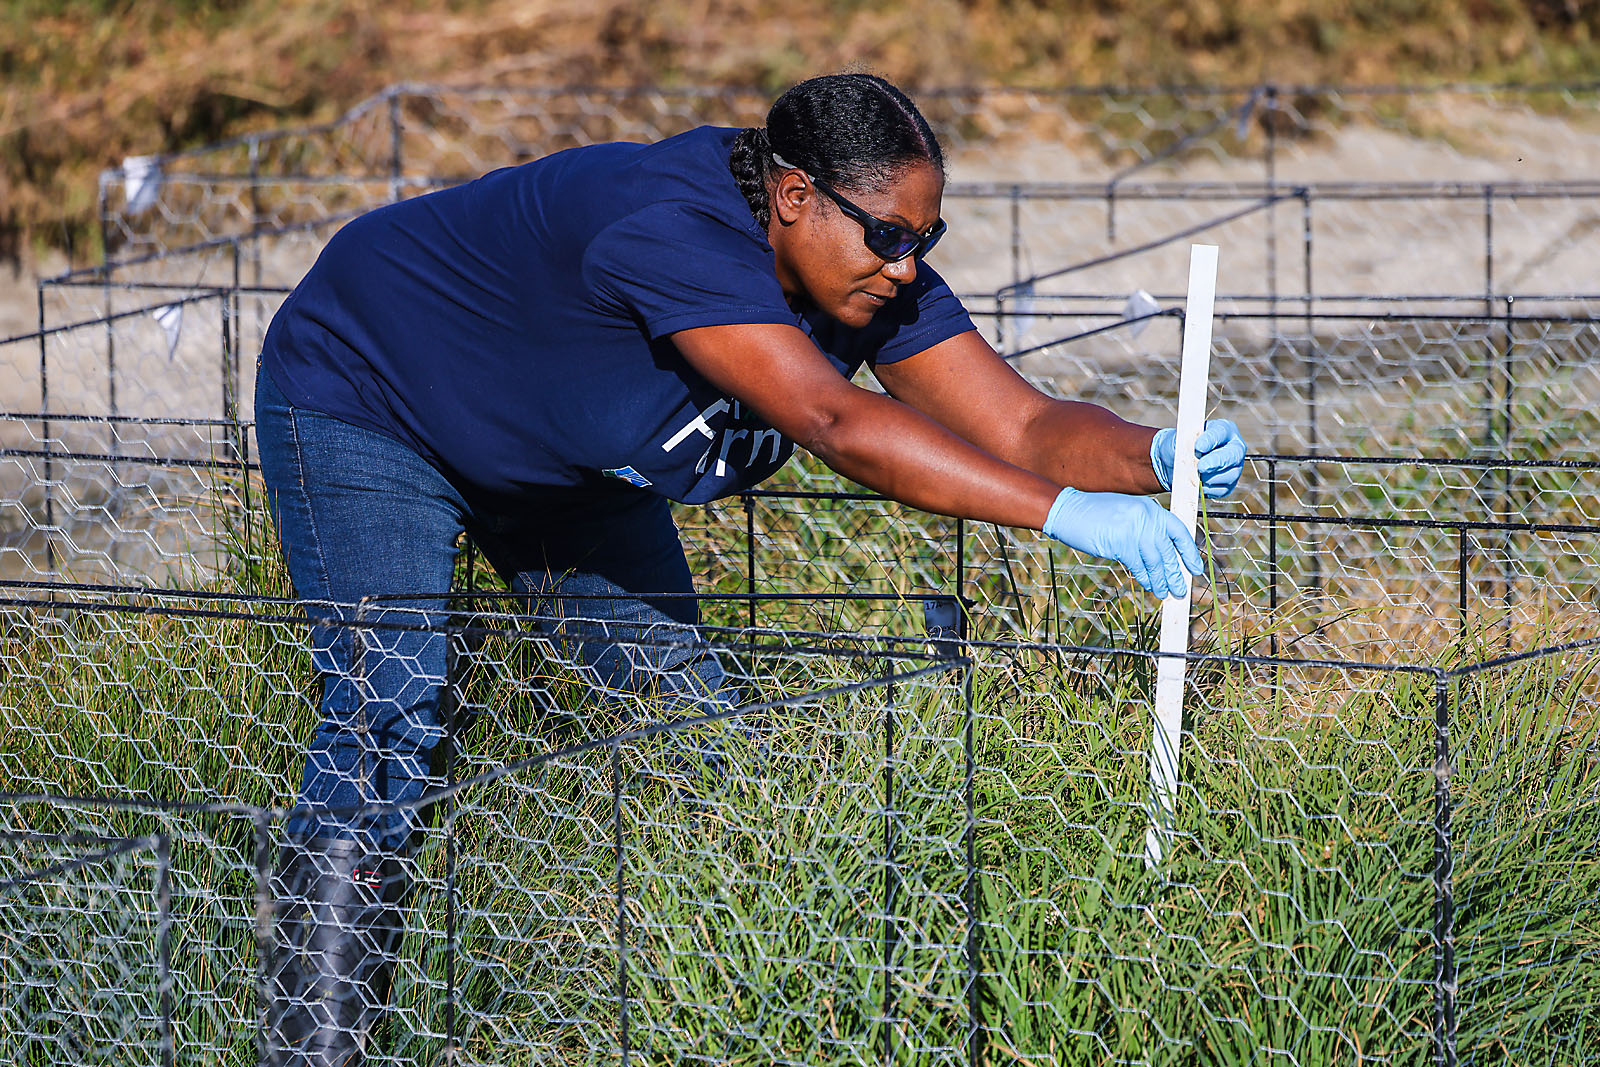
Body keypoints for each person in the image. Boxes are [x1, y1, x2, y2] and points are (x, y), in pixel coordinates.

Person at [253, 72, 1247, 1065]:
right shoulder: (667, 233)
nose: (907, 267)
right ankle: (316, 1049)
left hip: (565, 470)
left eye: (925, 240)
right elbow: (833, 421)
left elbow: (1020, 422)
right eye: (891, 236)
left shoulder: (865, 276)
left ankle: (726, 1011)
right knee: (389, 713)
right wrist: (1064, 514)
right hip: (371, 397)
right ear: (793, 198)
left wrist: (1148, 455)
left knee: (696, 734)